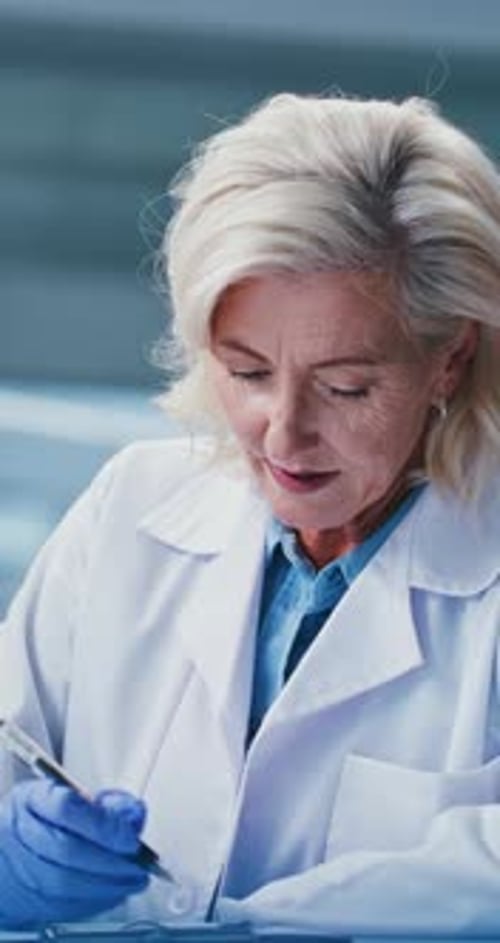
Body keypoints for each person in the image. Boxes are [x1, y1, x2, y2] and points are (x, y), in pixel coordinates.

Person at [1, 91, 500, 934]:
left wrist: (251, 927)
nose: (284, 431)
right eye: (247, 372)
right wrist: (14, 863)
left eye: (346, 386)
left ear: (450, 358)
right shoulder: (134, 504)